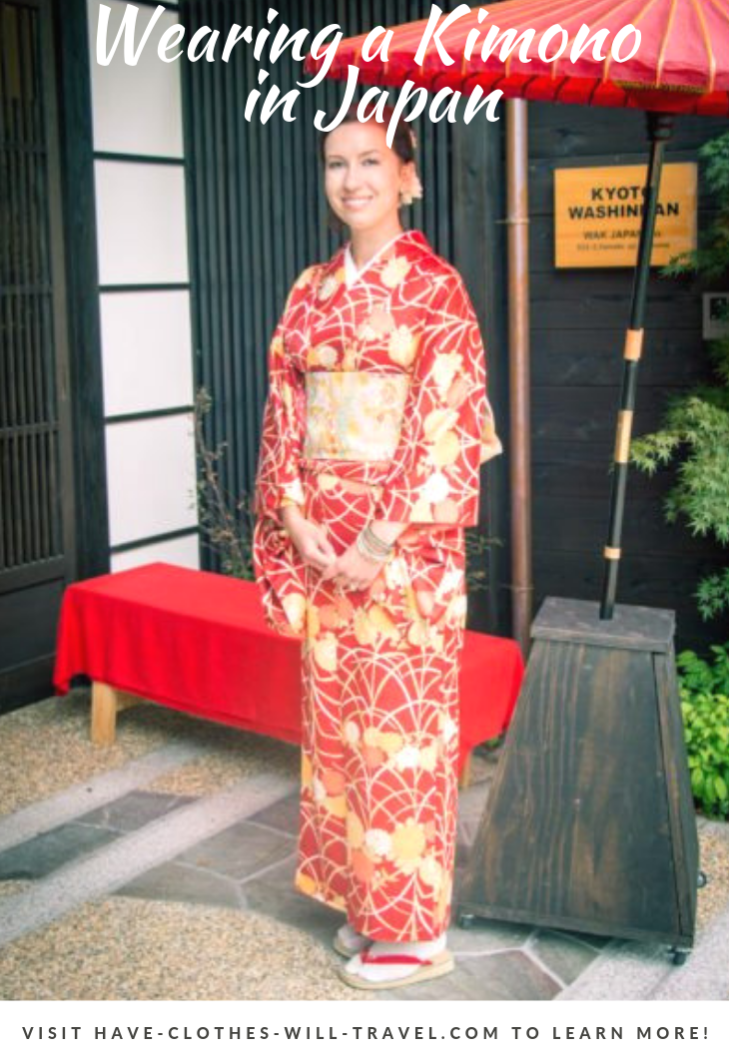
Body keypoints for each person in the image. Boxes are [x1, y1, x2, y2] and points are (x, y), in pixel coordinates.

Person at [252, 108, 502, 990]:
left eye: (370, 161)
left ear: (408, 176)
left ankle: (418, 930)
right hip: (324, 545)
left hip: (404, 555)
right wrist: (292, 512)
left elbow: (448, 422)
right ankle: (369, 904)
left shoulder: (438, 290)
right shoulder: (306, 292)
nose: (352, 179)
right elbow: (286, 411)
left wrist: (380, 534)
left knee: (404, 737)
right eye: (335, 164)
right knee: (340, 736)